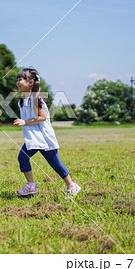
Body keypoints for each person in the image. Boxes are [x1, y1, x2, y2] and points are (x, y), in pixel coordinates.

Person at [13, 67, 81, 197]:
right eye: (17, 80)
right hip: (33, 138)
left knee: (55, 163)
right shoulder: (22, 100)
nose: (17, 82)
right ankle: (31, 185)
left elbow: (42, 117)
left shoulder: (36, 99)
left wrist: (25, 122)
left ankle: (72, 186)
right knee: (22, 157)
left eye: (20, 79)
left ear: (31, 83)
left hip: (44, 138)